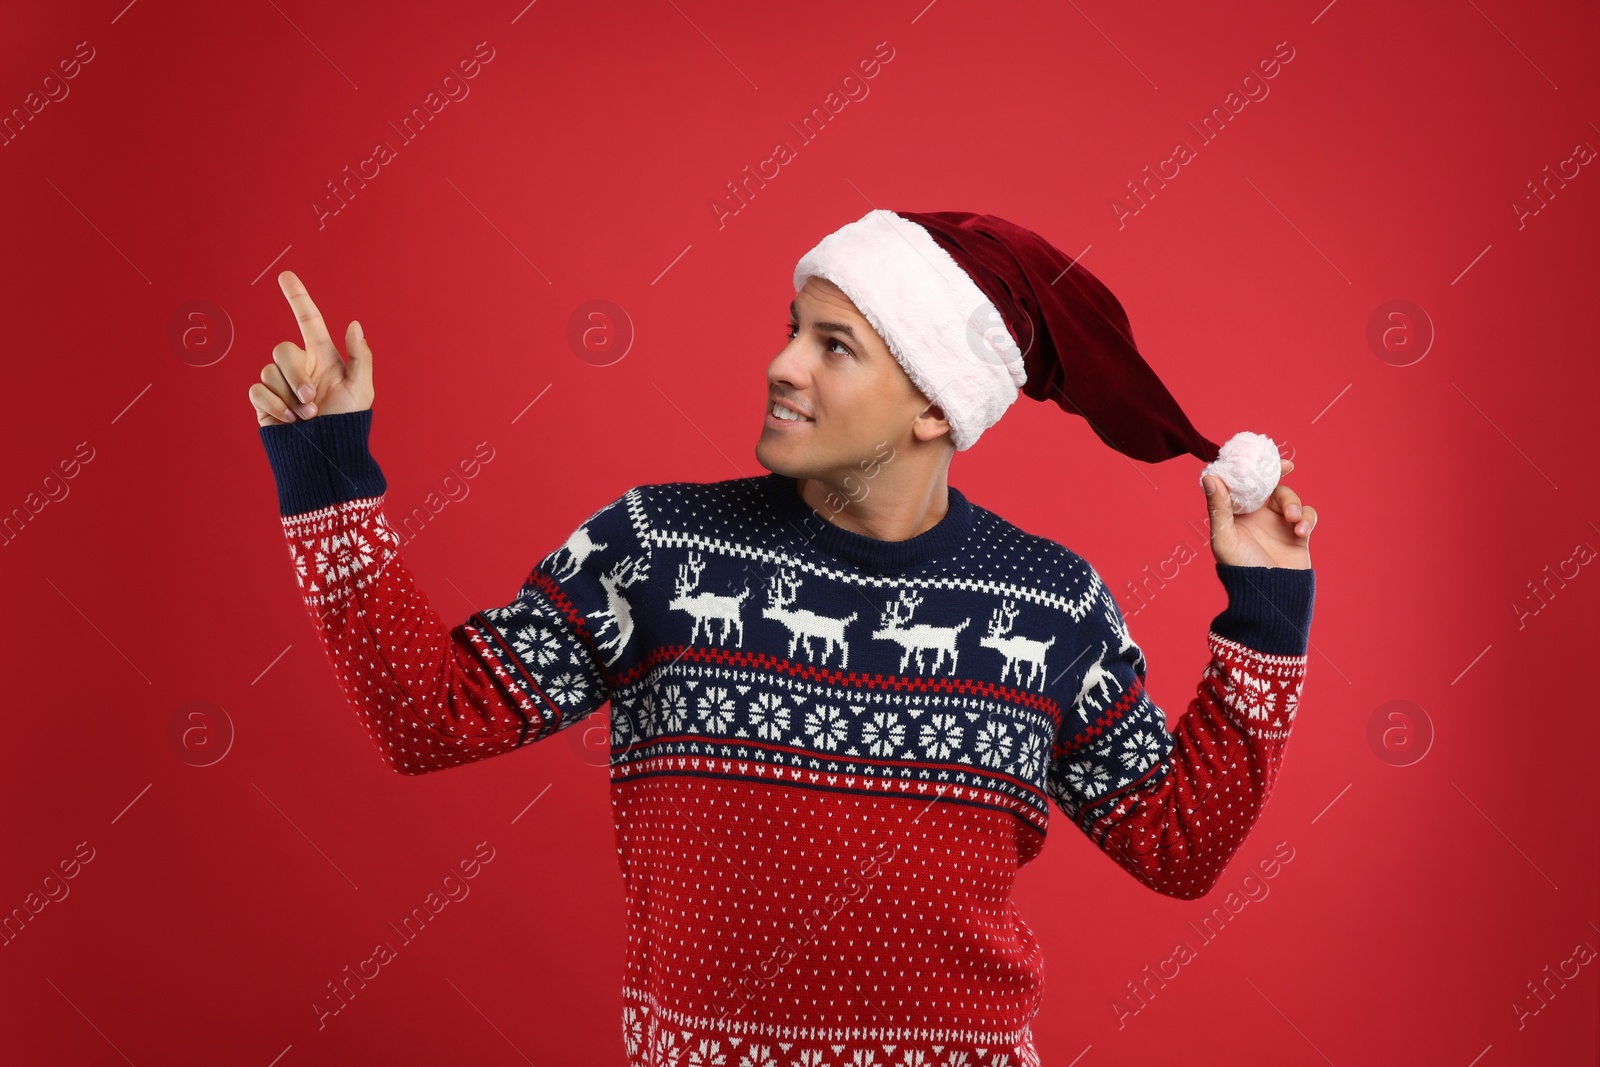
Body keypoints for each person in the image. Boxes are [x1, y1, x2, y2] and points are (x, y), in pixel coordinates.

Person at [250, 208, 1318, 1067]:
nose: (782, 365)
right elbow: (430, 715)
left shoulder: (1049, 603)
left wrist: (1264, 608)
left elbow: (1178, 843)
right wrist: (329, 471)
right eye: (791, 328)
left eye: (833, 345)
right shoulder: (656, 546)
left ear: (934, 406)